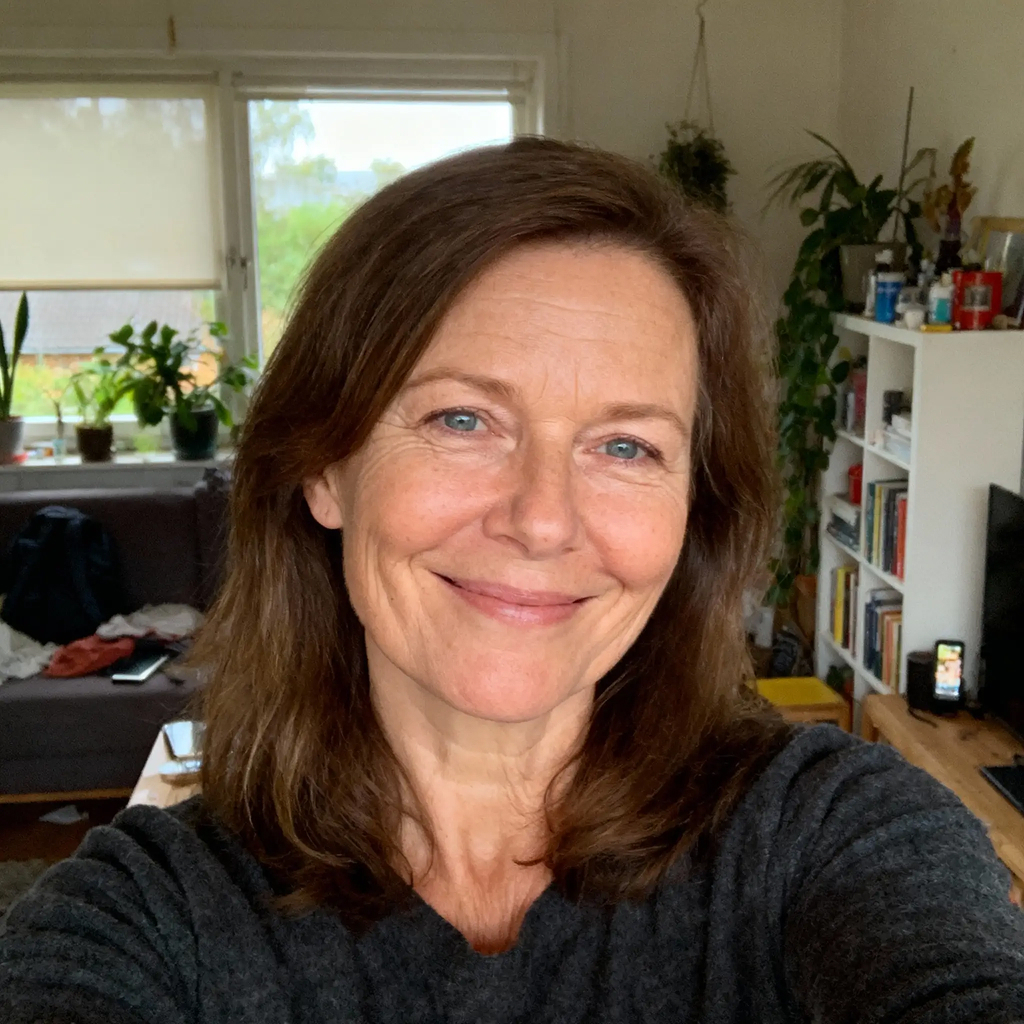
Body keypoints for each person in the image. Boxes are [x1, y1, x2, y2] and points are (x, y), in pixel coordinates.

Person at [1, 138, 1022, 1023]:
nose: (541, 519)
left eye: (625, 446)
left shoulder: (831, 832)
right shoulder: (149, 913)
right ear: (325, 466)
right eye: (462, 419)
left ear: (691, 512)